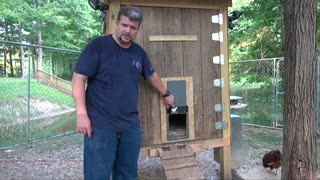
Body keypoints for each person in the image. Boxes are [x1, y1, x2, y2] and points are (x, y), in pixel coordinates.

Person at [71, 5, 174, 180]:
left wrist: (166, 94)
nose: (128, 31)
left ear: (138, 29)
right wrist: (81, 114)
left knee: (127, 175)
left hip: (129, 128)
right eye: (124, 25)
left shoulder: (138, 53)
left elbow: (151, 74)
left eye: (133, 28)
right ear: (117, 23)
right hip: (100, 128)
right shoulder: (98, 46)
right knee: (97, 176)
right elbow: (78, 78)